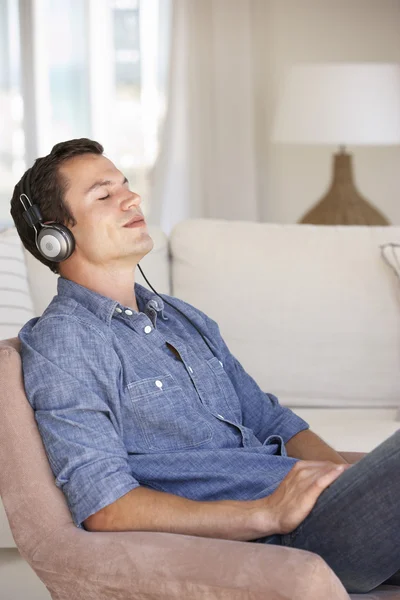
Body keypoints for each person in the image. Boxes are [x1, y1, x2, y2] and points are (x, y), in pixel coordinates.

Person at [11, 139, 399, 594]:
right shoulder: (66, 339)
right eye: (103, 195)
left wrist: (346, 485)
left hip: (323, 510)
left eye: (126, 186)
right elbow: (106, 505)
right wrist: (265, 513)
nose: (132, 199)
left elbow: (270, 419)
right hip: (285, 536)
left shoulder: (182, 316)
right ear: (55, 236)